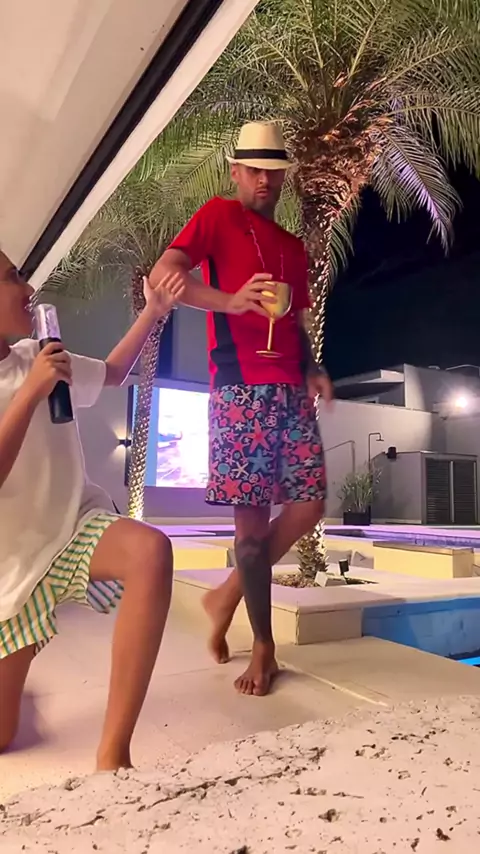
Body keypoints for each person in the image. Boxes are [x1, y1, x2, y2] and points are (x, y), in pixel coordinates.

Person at [150, 121, 333, 697]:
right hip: (239, 390)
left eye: (273, 172)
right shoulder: (217, 216)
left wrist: (313, 367)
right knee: (250, 529)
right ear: (235, 171)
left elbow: (295, 319)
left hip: (291, 389)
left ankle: (227, 593)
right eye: (253, 170)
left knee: (310, 505)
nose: (263, 180)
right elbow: (164, 275)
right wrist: (227, 302)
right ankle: (263, 646)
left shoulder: (293, 248)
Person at [0, 252, 184, 770]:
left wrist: (153, 312)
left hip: (71, 531)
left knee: (150, 551)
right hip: (9, 567)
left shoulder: (38, 356)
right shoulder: (35, 375)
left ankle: (113, 753)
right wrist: (30, 393)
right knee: (3, 736)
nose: (28, 288)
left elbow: (115, 372)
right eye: (11, 278)